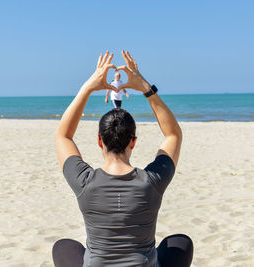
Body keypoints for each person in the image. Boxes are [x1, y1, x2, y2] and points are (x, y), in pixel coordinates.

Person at [54, 50, 193, 267]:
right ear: (133, 142)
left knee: (62, 247)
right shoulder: (153, 180)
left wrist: (88, 88)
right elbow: (173, 134)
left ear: (100, 141)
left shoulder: (84, 181)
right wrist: (146, 88)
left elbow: (63, 135)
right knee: (181, 243)